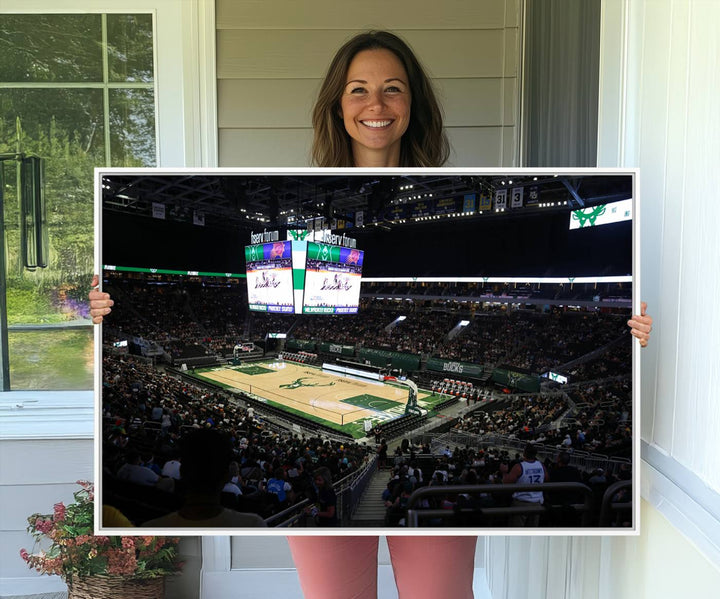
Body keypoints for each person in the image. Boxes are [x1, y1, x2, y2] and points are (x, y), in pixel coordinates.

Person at [90, 29, 652, 599]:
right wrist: (95, 313)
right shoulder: (288, 175)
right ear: (337, 104)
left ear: (415, 104)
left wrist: (637, 334)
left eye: (393, 89)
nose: (376, 105)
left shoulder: (481, 175)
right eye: (358, 89)